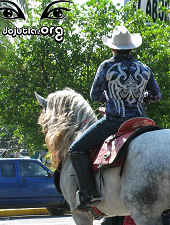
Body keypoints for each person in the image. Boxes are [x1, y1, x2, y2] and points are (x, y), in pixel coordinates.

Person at [68, 25, 162, 211]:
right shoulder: (143, 68)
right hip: (141, 122)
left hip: (115, 121)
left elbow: (95, 96)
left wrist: (112, 98)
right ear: (132, 48)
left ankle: (89, 194)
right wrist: (140, 98)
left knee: (75, 149)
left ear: (113, 48)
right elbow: (157, 95)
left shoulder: (107, 66)